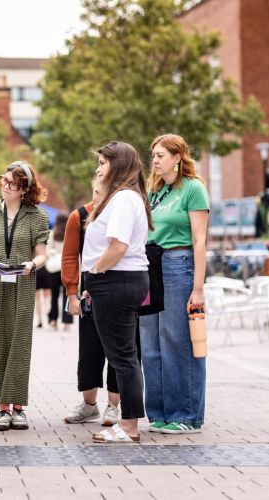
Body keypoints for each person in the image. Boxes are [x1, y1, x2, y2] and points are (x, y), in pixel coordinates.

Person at [80, 141, 151, 443]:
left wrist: (95, 273)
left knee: (123, 358)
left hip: (116, 280)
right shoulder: (122, 198)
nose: (97, 169)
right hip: (117, 281)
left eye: (102, 163)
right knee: (124, 356)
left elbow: (118, 246)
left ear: (118, 165)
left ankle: (130, 426)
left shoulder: (123, 199)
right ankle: (129, 424)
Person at [0, 161, 49, 431]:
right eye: (3, 180)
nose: (5, 186)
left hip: (22, 284)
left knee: (18, 343)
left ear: (24, 189)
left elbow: (41, 254)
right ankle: (2, 408)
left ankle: (18, 407)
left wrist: (32, 265)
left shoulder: (36, 216)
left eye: (12, 184)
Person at [140, 133, 209, 435]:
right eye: (153, 155)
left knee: (176, 340)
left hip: (178, 264)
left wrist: (198, 287)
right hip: (150, 264)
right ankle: (159, 412)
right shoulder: (154, 191)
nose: (154, 160)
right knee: (151, 342)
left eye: (161, 155)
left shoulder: (193, 189)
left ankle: (186, 414)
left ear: (178, 157)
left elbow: (200, 240)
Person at [62, 178, 121, 427]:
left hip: (119, 291)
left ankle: (114, 406)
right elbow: (69, 257)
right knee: (89, 350)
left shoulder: (121, 215)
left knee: (118, 350)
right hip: (90, 292)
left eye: (103, 191)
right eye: (95, 191)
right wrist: (72, 294)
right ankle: (89, 405)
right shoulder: (80, 216)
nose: (98, 196)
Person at [46, 213, 74, 331]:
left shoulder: (52, 234)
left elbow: (47, 250)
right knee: (67, 295)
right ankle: (67, 323)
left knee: (54, 295)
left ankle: (53, 320)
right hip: (67, 268)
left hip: (53, 268)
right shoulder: (71, 234)